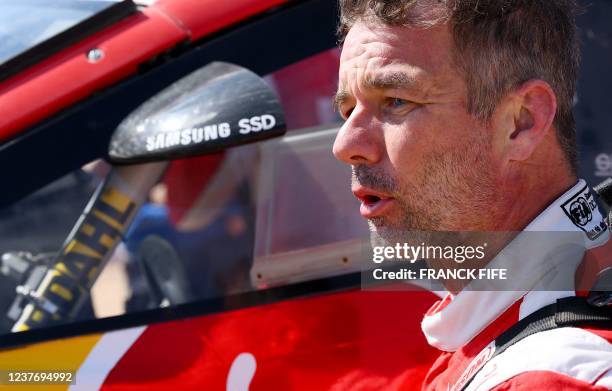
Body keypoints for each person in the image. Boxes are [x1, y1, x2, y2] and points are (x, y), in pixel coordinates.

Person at [332, 0, 611, 390]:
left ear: (521, 122)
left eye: (396, 101)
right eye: (347, 109)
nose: (345, 144)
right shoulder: (496, 326)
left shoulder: (553, 375)